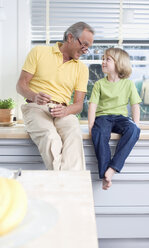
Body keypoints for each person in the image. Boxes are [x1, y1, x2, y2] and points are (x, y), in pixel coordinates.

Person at [16, 22, 94, 170]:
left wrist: (66, 110)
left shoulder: (82, 69)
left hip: (63, 111)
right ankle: (69, 188)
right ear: (70, 37)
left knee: (74, 136)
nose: (85, 50)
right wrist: (34, 96)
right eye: (83, 45)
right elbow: (20, 85)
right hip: (36, 107)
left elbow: (78, 105)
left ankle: (65, 187)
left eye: (88, 47)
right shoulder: (39, 52)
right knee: (51, 138)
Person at [88, 48, 141, 190]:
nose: (103, 61)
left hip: (121, 118)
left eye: (107, 59)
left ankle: (112, 168)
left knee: (133, 130)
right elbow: (92, 106)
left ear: (119, 63)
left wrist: (135, 126)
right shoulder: (99, 84)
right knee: (99, 133)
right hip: (103, 117)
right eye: (103, 59)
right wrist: (91, 126)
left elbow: (135, 105)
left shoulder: (128, 84)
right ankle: (105, 176)